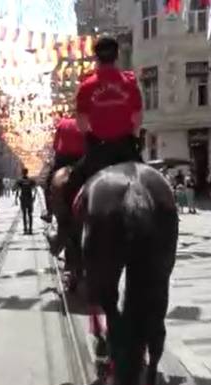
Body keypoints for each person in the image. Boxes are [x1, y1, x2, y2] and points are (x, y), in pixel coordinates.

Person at [47, 36, 143, 254]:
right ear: (117, 55)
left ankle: (62, 234)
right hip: (126, 149)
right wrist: (130, 136)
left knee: (69, 187)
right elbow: (137, 118)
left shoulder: (88, 85)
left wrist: (95, 133)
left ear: (95, 57)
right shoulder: (129, 81)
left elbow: (82, 124)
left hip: (98, 151)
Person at [41, 114, 86, 223]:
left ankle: (49, 212)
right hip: (81, 157)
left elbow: (56, 145)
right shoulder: (83, 121)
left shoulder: (62, 123)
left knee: (48, 181)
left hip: (64, 158)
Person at [15, 168, 37, 235]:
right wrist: (34, 197)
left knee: (24, 215)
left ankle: (25, 229)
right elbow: (35, 189)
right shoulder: (31, 180)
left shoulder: (20, 181)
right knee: (30, 215)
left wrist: (16, 199)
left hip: (23, 199)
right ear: (27, 173)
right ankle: (30, 229)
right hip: (29, 199)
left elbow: (17, 190)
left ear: (22, 173)